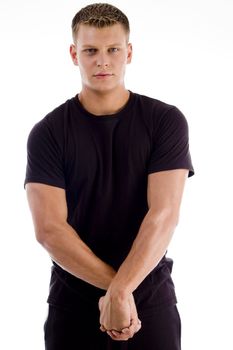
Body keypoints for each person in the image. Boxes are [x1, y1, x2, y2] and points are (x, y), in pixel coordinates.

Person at [24, 3, 194, 349]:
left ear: (128, 53)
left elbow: (163, 216)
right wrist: (117, 292)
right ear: (74, 54)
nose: (102, 61)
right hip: (73, 305)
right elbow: (49, 229)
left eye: (113, 49)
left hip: (151, 301)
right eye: (91, 50)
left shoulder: (165, 121)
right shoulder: (48, 133)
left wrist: (121, 291)